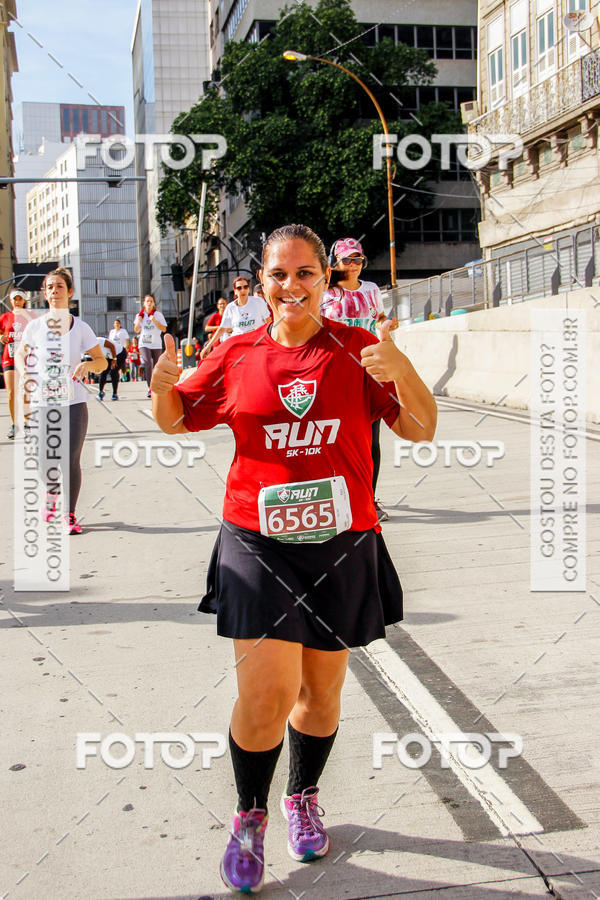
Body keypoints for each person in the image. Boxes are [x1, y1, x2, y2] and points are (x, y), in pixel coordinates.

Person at [151, 224, 437, 894]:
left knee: (320, 694)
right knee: (268, 693)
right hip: (257, 540)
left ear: (324, 279)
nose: (291, 286)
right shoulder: (236, 352)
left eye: (305, 273)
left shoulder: (360, 350)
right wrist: (164, 384)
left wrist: (405, 371)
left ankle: (302, 795)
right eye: (279, 274)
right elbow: (174, 419)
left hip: (343, 540)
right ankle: (249, 812)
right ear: (264, 279)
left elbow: (421, 426)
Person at [16, 267, 107, 535]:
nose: (54, 291)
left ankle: (68, 515)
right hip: (42, 402)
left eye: (58, 287)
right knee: (44, 457)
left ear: (70, 292)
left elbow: (101, 361)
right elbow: (21, 354)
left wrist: (87, 367)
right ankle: (52, 492)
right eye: (49, 288)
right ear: (44, 294)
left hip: (74, 402)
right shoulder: (34, 327)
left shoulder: (81, 328)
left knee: (70, 459)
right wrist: (23, 374)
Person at [322, 237, 398, 523]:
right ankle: (336, 496)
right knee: (336, 439)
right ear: (335, 263)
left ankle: (368, 499)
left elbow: (378, 317)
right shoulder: (326, 293)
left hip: (369, 369)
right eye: (347, 260)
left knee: (370, 439)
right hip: (335, 373)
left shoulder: (371, 290)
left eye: (358, 260)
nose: (353, 266)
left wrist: (385, 325)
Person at [200, 277, 270, 358]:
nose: (243, 290)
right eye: (239, 288)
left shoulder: (258, 302)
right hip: (239, 346)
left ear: (249, 288)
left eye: (245, 287)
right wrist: (208, 346)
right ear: (235, 291)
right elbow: (222, 329)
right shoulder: (230, 308)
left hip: (257, 344)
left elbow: (268, 322)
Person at [0, 288, 29, 439]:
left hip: (26, 358)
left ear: (24, 300)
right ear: (10, 300)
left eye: (20, 299)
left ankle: (27, 423)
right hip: (9, 356)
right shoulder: (5, 317)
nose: (17, 301)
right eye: (14, 299)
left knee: (25, 392)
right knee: (11, 392)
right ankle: (14, 425)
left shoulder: (31, 317)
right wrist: (0, 338)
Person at [134, 295, 167, 397]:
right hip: (144, 343)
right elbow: (136, 330)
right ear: (144, 303)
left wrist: (155, 321)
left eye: (151, 301)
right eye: (147, 301)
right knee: (148, 363)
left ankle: (157, 386)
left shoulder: (158, 315)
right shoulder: (140, 315)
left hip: (156, 344)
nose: (149, 303)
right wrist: (139, 321)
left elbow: (164, 329)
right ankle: (150, 388)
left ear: (153, 303)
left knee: (157, 366)